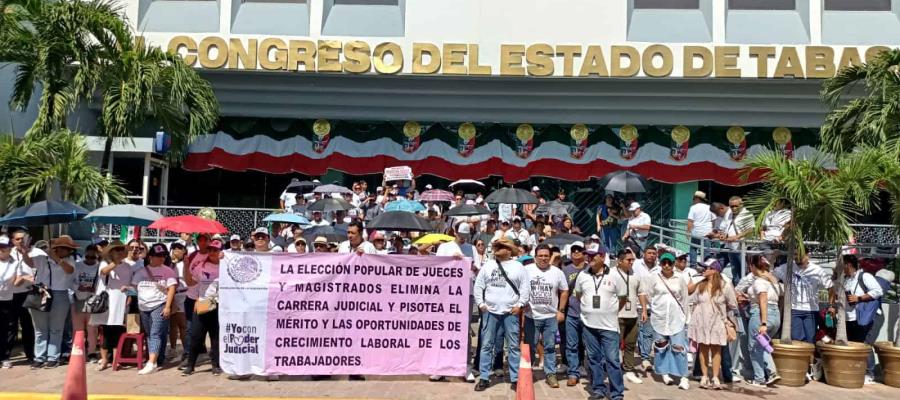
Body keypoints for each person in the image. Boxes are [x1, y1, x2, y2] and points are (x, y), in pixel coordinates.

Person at [473, 237, 531, 392]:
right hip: (490, 312)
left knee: (513, 346)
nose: (497, 249)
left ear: (508, 250)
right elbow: (478, 286)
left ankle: (515, 378)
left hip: (510, 312)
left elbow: (525, 289)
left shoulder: (518, 267)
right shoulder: (488, 266)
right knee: (486, 345)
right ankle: (484, 377)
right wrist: (481, 304)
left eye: (500, 247)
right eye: (496, 247)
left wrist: (519, 305)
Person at [575, 247, 627, 400]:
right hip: (589, 325)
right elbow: (579, 295)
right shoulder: (582, 275)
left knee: (612, 360)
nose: (589, 258)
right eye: (588, 255)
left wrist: (610, 311)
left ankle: (617, 393)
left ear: (603, 257)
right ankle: (599, 389)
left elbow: (622, 298)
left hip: (609, 326)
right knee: (594, 359)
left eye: (592, 255)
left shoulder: (616, 275)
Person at [639, 252, 691, 390]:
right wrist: (653, 308)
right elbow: (647, 294)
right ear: (660, 264)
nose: (667, 266)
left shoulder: (680, 279)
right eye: (664, 263)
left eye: (669, 263)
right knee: (660, 347)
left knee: (679, 347)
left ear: (674, 264)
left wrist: (687, 318)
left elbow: (685, 299)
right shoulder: (653, 278)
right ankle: (664, 373)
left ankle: (683, 376)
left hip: (677, 318)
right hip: (659, 317)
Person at [125, 243, 177, 374]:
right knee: (151, 333)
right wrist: (127, 289)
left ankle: (151, 362)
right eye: (158, 256)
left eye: (163, 256)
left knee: (155, 333)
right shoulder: (140, 272)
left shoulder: (168, 271)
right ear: (150, 257)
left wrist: (167, 306)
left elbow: (172, 289)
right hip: (143, 307)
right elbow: (134, 287)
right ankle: (157, 358)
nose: (161, 258)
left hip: (159, 304)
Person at [688, 259, 737, 390]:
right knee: (703, 348)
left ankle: (715, 377)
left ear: (715, 270)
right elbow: (690, 296)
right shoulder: (700, 285)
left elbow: (732, 303)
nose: (704, 270)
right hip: (702, 320)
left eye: (707, 268)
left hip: (717, 321)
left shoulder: (724, 285)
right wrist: (698, 280)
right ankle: (704, 376)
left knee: (716, 349)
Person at [524, 244, 569, 388]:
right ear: (535, 256)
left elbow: (564, 291)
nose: (543, 258)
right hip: (532, 316)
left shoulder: (557, 272)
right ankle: (527, 372)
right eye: (540, 255)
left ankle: (550, 374)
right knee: (530, 346)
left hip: (550, 316)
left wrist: (561, 310)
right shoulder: (526, 270)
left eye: (546, 256)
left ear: (550, 257)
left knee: (550, 347)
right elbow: (518, 287)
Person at [28, 236, 76, 369]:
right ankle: (39, 357)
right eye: (64, 248)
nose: (67, 251)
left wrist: (56, 258)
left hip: (60, 293)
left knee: (56, 328)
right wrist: (24, 250)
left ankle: (53, 357)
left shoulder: (70, 260)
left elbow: (69, 270)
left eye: (69, 249)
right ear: (56, 248)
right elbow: (29, 263)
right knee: (40, 329)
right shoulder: (42, 258)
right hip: (42, 292)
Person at [181, 239, 223, 376]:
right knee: (196, 336)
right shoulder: (201, 266)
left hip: (219, 304)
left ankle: (215, 365)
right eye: (210, 249)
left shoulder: (226, 266)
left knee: (215, 337)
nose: (212, 252)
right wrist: (186, 266)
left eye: (215, 250)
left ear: (220, 252)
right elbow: (190, 282)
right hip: (204, 302)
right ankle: (190, 365)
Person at [839, 254, 882, 384]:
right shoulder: (846, 279)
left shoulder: (865, 277)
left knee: (864, 345)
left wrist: (859, 298)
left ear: (848, 265)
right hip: (850, 318)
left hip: (865, 317)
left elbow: (878, 291)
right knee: (854, 344)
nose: (841, 268)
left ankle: (870, 373)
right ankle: (856, 371)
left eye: (842, 265)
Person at [91, 240, 131, 371]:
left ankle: (115, 359)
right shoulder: (105, 263)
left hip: (121, 300)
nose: (119, 253)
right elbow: (104, 272)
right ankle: (104, 360)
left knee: (118, 331)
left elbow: (129, 282)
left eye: (121, 250)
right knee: (105, 332)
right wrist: (116, 262)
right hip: (107, 301)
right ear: (111, 252)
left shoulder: (127, 266)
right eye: (116, 250)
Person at [744, 254, 782, 388]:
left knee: (754, 347)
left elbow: (763, 300)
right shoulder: (772, 281)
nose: (749, 267)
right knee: (762, 344)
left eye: (750, 265)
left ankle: (760, 378)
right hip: (776, 315)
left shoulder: (759, 282)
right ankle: (771, 373)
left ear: (754, 266)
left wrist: (764, 323)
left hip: (760, 315)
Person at [611, 248, 643, 384]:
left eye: (633, 260)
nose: (631, 262)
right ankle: (614, 369)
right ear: (619, 261)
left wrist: (645, 311)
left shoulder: (635, 274)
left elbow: (641, 293)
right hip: (617, 314)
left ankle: (628, 369)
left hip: (633, 314)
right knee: (614, 344)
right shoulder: (611, 274)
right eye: (628, 260)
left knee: (630, 343)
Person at [1, 235, 32, 368]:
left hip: (7, 299)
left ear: (9, 248)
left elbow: (17, 282)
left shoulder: (14, 263)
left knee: (6, 329)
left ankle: (4, 357)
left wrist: (24, 278)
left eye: (4, 248)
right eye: (0, 248)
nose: (2, 250)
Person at [562, 241, 589, 385]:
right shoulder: (565, 270)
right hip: (571, 313)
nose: (576, 253)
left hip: (588, 313)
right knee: (571, 343)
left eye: (579, 250)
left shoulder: (590, 269)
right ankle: (573, 372)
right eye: (574, 251)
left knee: (587, 343)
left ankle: (583, 366)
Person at [7, 229, 36, 364]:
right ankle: (6, 355)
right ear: (13, 241)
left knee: (28, 325)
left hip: (27, 293)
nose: (20, 241)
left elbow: (34, 270)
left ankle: (30, 354)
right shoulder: (8, 253)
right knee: (11, 326)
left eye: (23, 239)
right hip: (11, 295)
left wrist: (26, 254)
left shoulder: (33, 252)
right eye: (17, 239)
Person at [70, 244, 101, 363]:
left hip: (93, 300)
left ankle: (92, 352)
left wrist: (95, 290)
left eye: (93, 257)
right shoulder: (77, 266)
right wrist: (78, 287)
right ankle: (78, 349)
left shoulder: (99, 267)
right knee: (78, 329)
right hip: (78, 299)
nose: (90, 259)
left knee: (92, 329)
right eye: (88, 256)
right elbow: (70, 281)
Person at [721, 196, 754, 286]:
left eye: (736, 206)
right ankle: (736, 289)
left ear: (741, 205)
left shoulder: (747, 214)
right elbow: (724, 227)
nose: (734, 208)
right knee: (734, 269)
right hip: (731, 247)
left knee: (744, 270)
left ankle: (744, 290)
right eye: (732, 206)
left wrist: (736, 237)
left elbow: (750, 229)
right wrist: (723, 235)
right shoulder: (729, 214)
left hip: (742, 247)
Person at [632, 247, 655, 371]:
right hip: (637, 304)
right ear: (644, 254)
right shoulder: (636, 265)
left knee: (647, 333)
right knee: (638, 332)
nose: (651, 256)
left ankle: (645, 358)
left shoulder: (659, 268)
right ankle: (643, 355)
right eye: (649, 253)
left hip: (652, 305)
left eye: (654, 254)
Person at [168, 242, 189, 363]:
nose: (176, 251)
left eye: (179, 248)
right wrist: (172, 264)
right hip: (171, 295)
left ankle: (186, 350)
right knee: (172, 325)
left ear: (184, 251)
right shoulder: (169, 263)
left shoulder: (187, 263)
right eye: (174, 248)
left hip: (183, 294)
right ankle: (172, 348)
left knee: (183, 325)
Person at [687, 191, 714, 268]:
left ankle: (693, 266)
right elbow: (713, 219)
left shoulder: (693, 207)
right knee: (706, 250)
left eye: (693, 199)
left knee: (693, 249)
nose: (693, 200)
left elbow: (690, 221)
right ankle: (707, 267)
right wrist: (712, 230)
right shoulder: (709, 207)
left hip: (696, 232)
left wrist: (688, 232)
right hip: (707, 233)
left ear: (697, 198)